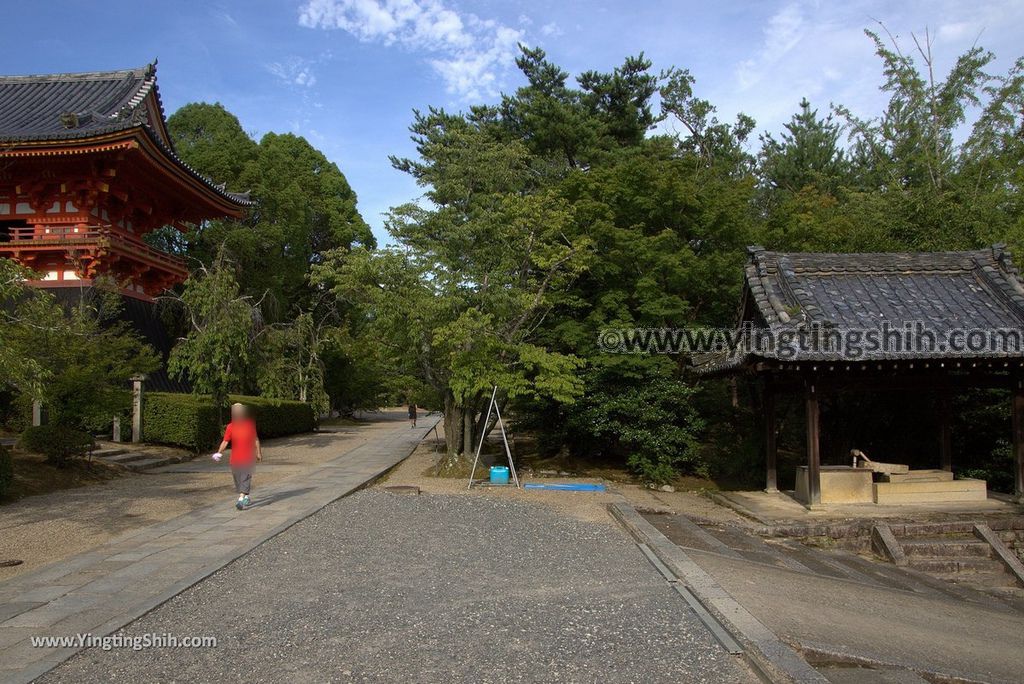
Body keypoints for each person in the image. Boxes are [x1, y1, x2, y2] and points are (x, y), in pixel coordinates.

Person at [212, 403, 262, 510]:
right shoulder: (230, 427)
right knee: (238, 479)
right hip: (235, 459)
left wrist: (258, 452)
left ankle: (240, 499)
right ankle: (246, 496)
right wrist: (219, 452)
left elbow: (255, 439)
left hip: (247, 457)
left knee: (245, 477)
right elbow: (225, 441)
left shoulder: (249, 425)